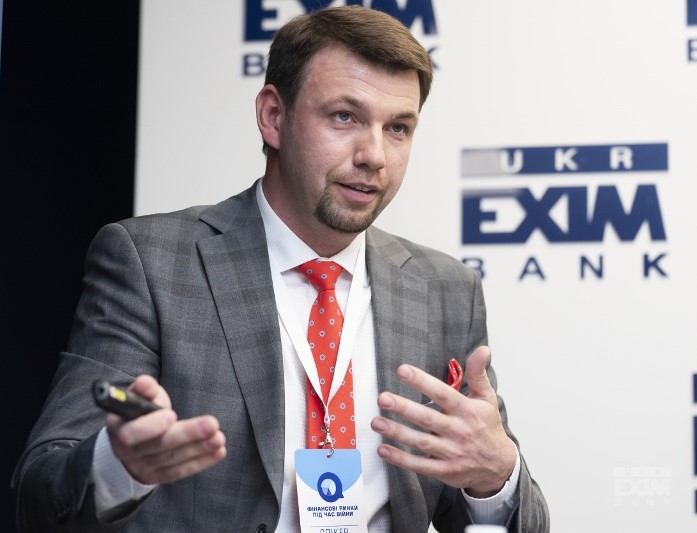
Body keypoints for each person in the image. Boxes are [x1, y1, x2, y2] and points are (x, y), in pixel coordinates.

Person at [12, 6, 549, 532]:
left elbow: (512, 517)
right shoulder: (151, 262)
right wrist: (120, 466)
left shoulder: (446, 289)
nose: (374, 155)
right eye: (345, 117)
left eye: (398, 128)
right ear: (273, 116)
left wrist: (494, 476)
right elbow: (40, 493)